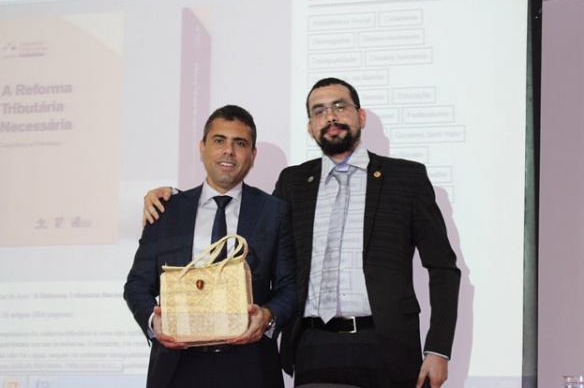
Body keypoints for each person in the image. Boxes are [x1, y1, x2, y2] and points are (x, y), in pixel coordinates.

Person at [143, 78, 461, 388]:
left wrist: (438, 349)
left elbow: (443, 268)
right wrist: (177, 200)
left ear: (361, 117)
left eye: (340, 106)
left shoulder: (406, 178)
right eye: (319, 111)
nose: (330, 116)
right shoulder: (294, 182)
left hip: (386, 346)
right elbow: (250, 224)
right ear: (310, 127)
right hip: (313, 347)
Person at [124, 104, 297, 388]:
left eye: (239, 143)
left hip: (250, 366)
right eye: (219, 141)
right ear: (202, 147)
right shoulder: (166, 210)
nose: (228, 151)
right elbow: (137, 285)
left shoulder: (274, 212)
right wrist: (154, 323)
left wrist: (267, 317)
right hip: (177, 365)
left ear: (252, 155)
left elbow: (289, 286)